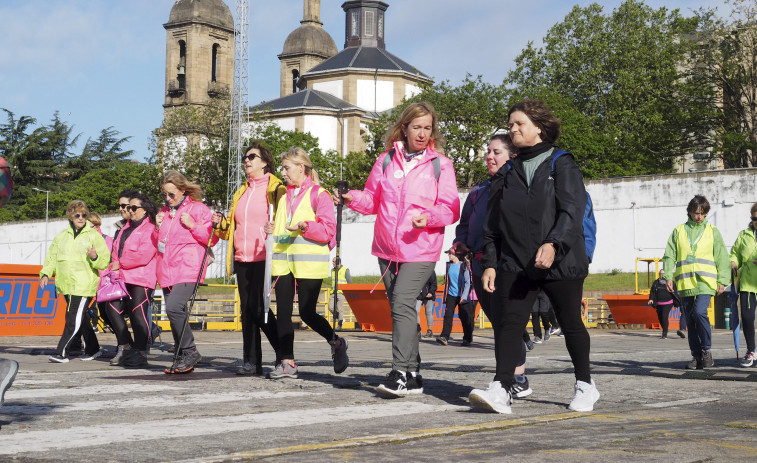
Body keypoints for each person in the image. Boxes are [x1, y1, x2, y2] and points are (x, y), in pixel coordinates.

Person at [470, 99, 597, 414]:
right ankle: (501, 388)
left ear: (538, 127)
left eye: (519, 124)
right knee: (509, 324)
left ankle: (585, 385)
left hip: (561, 259)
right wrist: (489, 263)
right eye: (510, 125)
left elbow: (573, 209)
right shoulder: (507, 171)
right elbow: (493, 225)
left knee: (570, 322)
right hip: (516, 261)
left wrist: (553, 244)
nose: (512, 129)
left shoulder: (561, 163)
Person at [338, 101, 460, 397]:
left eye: (427, 128)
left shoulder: (440, 165)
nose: (421, 133)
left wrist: (427, 218)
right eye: (416, 127)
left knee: (403, 304)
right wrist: (351, 197)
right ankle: (415, 373)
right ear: (403, 127)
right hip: (387, 248)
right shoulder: (384, 161)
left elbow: (451, 209)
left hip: (421, 248)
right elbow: (371, 200)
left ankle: (400, 372)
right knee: (401, 310)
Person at [453, 134, 531, 398]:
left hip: (505, 264)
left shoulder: (519, 186)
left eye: (496, 152)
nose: (489, 156)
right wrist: (461, 242)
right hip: (477, 265)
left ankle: (513, 378)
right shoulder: (478, 191)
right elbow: (464, 225)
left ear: (512, 156)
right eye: (488, 151)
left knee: (506, 324)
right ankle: (515, 376)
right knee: (500, 323)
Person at [265, 147, 348, 379]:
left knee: (307, 313)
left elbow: (328, 232)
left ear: (301, 167)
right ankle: (287, 362)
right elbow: (282, 228)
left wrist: (304, 226)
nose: (283, 173)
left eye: (286, 168)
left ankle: (336, 342)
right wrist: (271, 230)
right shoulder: (284, 197)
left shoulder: (319, 194)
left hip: (308, 263)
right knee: (282, 312)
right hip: (284, 262)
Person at [212, 142, 284, 376]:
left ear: (264, 162)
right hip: (242, 257)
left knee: (259, 308)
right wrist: (220, 223)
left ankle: (284, 355)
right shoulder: (241, 191)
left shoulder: (275, 188)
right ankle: (251, 361)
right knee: (248, 311)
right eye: (245, 157)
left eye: (252, 156)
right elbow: (231, 228)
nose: (247, 160)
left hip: (264, 255)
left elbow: (283, 220)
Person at [157, 170, 218, 374]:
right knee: (176, 312)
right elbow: (159, 244)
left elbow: (213, 238)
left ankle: (190, 350)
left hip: (188, 267)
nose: (168, 198)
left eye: (171, 194)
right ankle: (183, 354)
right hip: (167, 269)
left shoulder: (198, 209)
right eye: (165, 194)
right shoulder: (164, 213)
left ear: (183, 190)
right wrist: (157, 228)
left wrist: (192, 225)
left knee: (174, 307)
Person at [662, 195, 729, 370]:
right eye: (696, 213)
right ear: (690, 212)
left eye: (703, 213)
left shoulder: (712, 231)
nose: (699, 217)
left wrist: (722, 280)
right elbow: (669, 255)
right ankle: (696, 355)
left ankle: (706, 350)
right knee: (690, 320)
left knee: (699, 313)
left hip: (705, 281)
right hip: (685, 283)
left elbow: (721, 256)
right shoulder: (679, 231)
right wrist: (668, 276)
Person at [41, 200, 111, 363]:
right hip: (66, 284)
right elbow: (52, 257)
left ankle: (61, 352)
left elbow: (104, 261)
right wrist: (45, 273)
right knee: (81, 317)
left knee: (73, 317)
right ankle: (93, 349)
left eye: (84, 214)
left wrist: (94, 256)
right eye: (77, 214)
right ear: (70, 216)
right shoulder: (61, 237)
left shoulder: (94, 236)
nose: (81, 217)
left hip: (84, 284)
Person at [109, 192, 160, 368]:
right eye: (128, 207)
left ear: (145, 210)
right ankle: (126, 345)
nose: (129, 210)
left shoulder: (151, 228)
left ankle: (141, 352)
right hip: (122, 277)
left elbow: (144, 255)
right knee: (111, 308)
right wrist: (115, 265)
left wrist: (120, 263)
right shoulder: (125, 228)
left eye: (133, 207)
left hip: (141, 278)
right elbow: (116, 251)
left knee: (138, 314)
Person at [729, 203, 757, 367]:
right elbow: (735, 253)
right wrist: (733, 262)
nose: (756, 221)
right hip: (747, 283)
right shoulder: (744, 235)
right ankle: (751, 351)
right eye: (754, 218)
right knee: (747, 318)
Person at [436, 246, 474, 347]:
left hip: (462, 295)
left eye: (450, 253)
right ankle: (444, 337)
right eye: (449, 254)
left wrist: (464, 296)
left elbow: (467, 283)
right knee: (448, 315)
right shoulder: (448, 265)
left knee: (464, 317)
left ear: (456, 254)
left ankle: (467, 338)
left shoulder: (463, 266)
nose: (449, 255)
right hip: (451, 294)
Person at [647, 270, 679, 339]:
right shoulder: (656, 283)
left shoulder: (671, 283)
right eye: (661, 274)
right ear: (659, 275)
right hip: (658, 304)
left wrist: (676, 304)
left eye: (664, 274)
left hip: (668, 303)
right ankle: (665, 328)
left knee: (664, 317)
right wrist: (651, 299)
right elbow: (652, 292)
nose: (662, 275)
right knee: (660, 318)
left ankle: (664, 333)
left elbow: (675, 293)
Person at [329, 257, 352, 331]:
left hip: (341, 293)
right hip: (333, 292)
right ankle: (341, 318)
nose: (332, 263)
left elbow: (350, 282)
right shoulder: (332, 270)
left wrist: (348, 292)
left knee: (340, 308)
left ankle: (339, 325)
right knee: (330, 307)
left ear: (338, 262)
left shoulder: (345, 270)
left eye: (333, 261)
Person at [417, 271, 437, 338]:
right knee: (415, 311)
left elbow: (434, 283)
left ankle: (430, 330)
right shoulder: (416, 270)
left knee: (428, 312)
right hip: (419, 295)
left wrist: (431, 292)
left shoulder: (430, 270)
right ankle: (418, 330)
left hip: (429, 295)